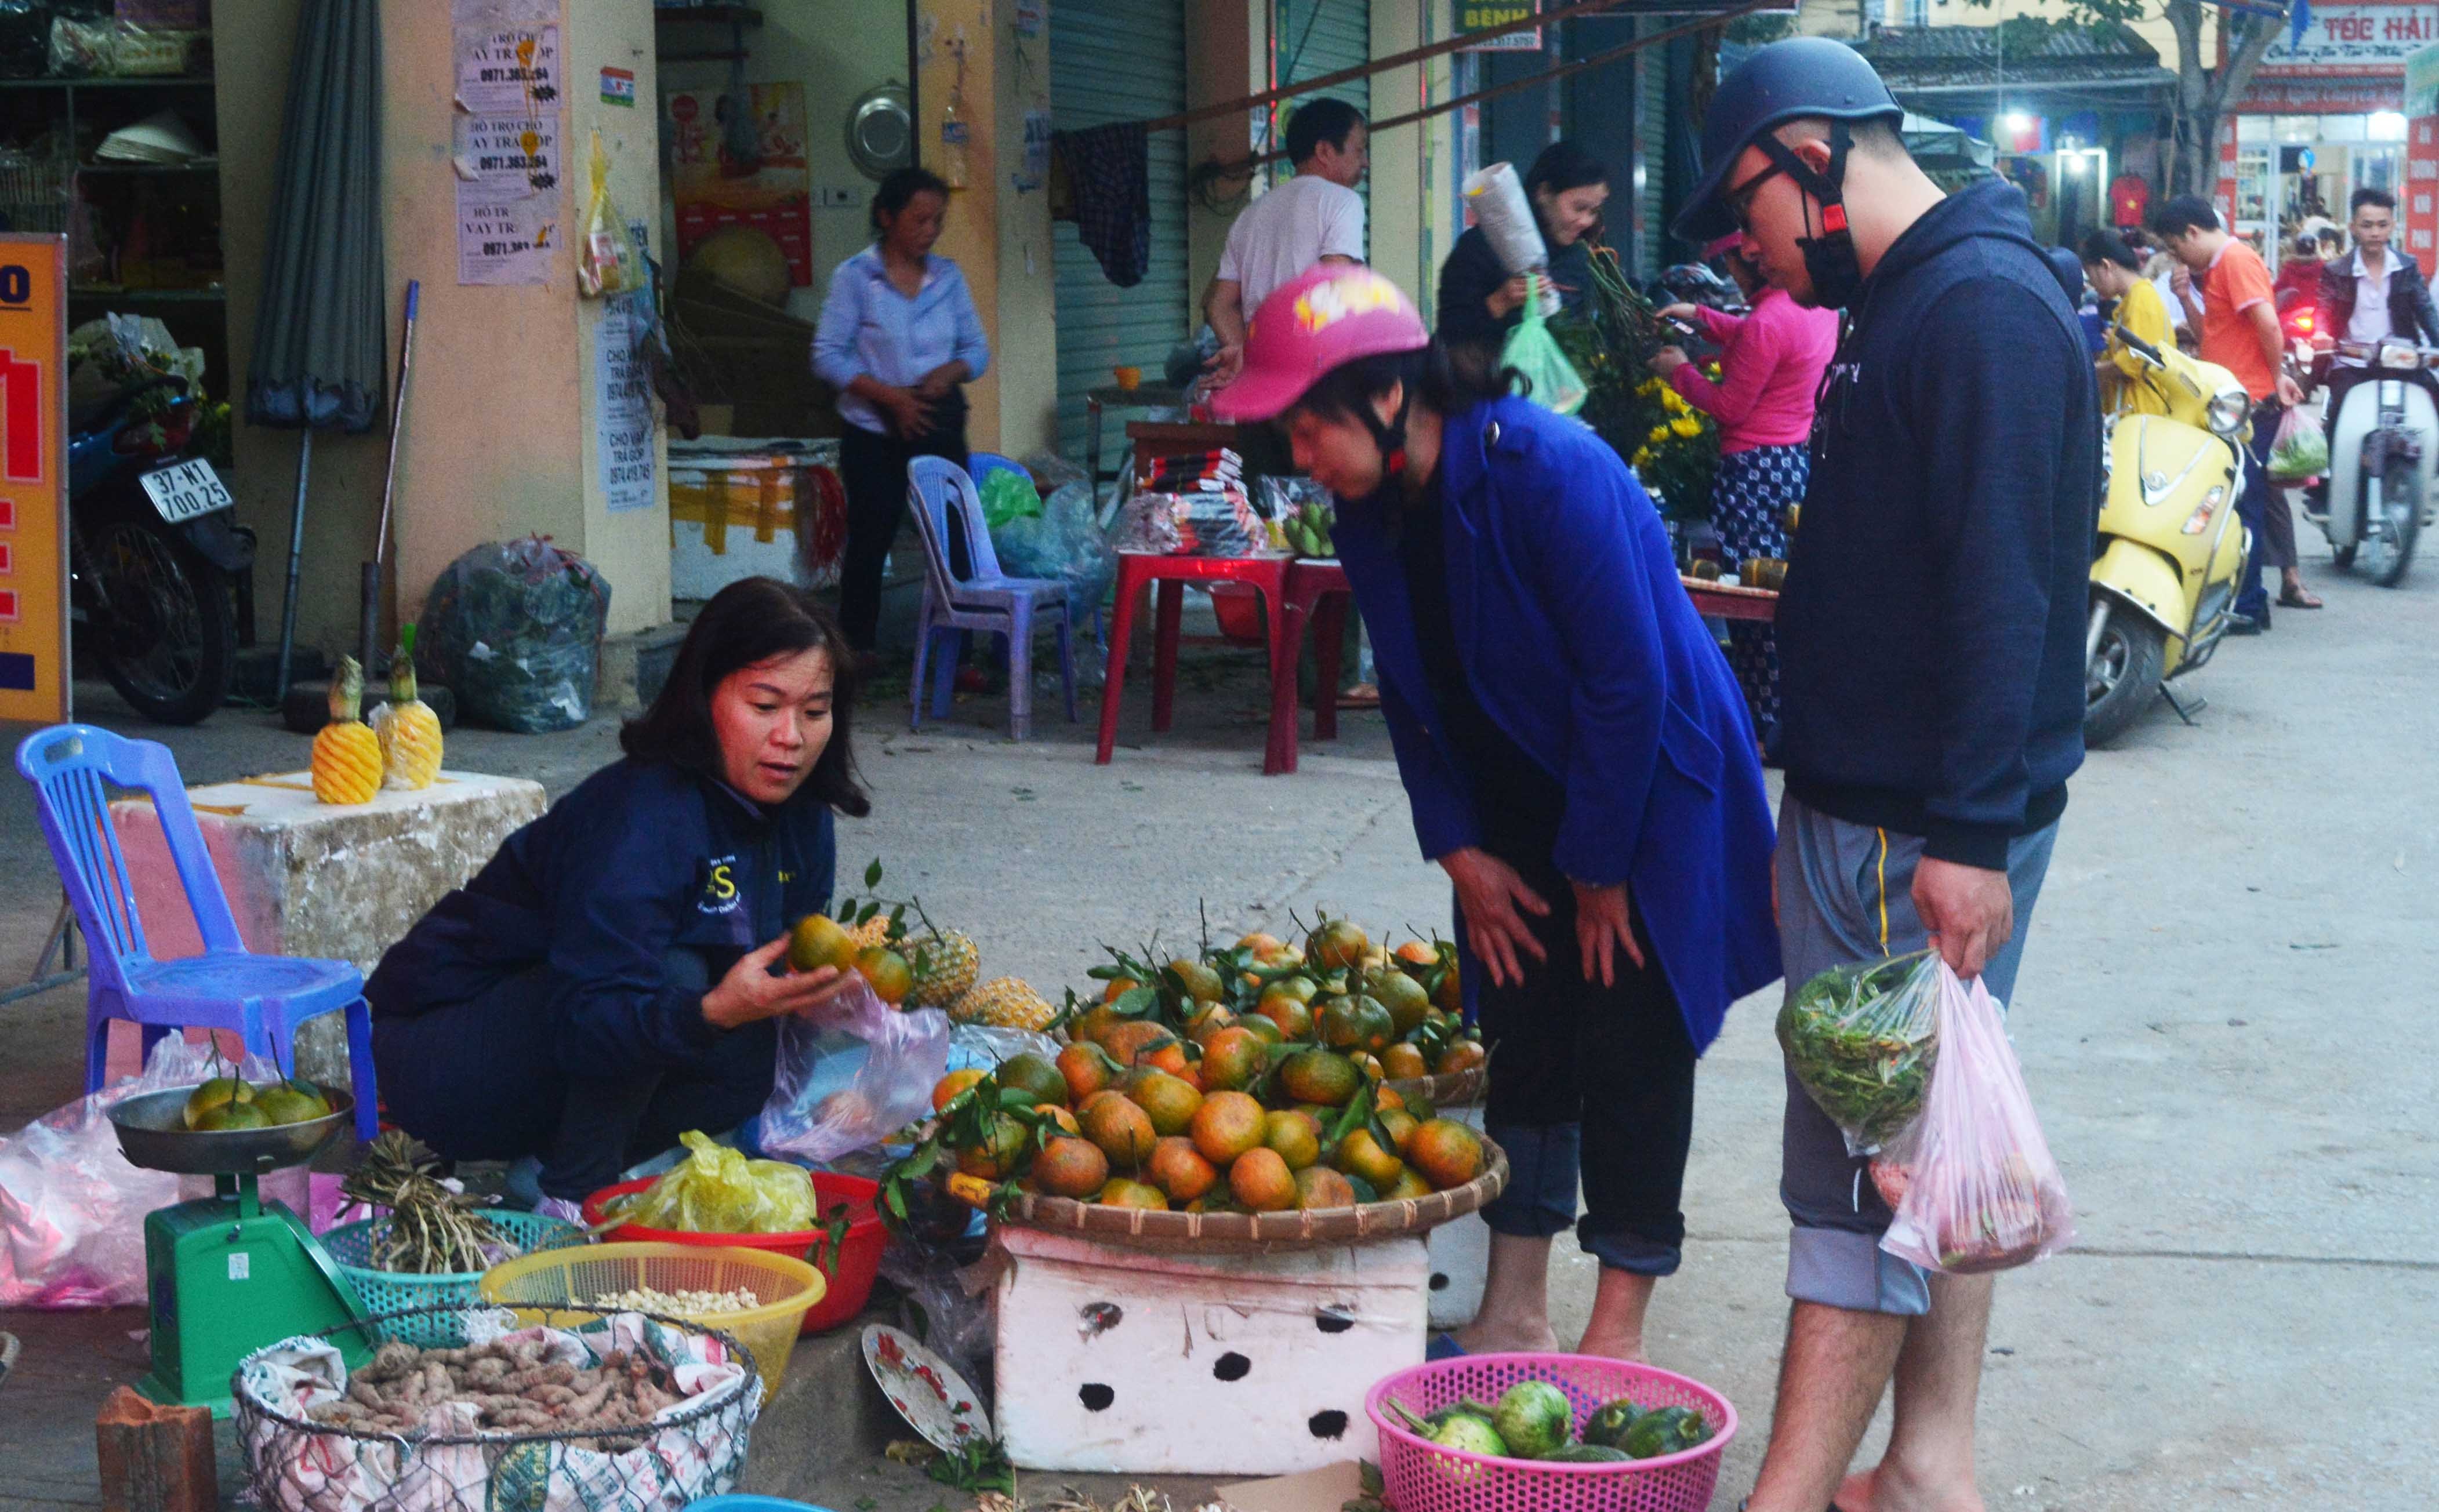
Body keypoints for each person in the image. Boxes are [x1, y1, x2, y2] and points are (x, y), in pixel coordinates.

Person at [1212, 264, 1780, 1361]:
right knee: (1524, 1028)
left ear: (1385, 398)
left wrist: (1603, 869)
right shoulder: (1367, 507)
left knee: (1631, 1042)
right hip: (1512, 794)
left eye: (1304, 427)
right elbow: (1415, 703)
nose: (1297, 457)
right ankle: (1513, 1300)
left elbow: (1627, 685)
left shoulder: (1549, 471)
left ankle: (1616, 1327)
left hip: (1644, 789)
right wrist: (1458, 846)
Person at [1674, 39, 2094, 1512]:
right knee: (1937, 1142)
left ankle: (1783, 1500)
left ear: (1807, 151)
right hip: (1916, 810)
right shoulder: (1922, 291)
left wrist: (1965, 832)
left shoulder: (1968, 308)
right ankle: (1925, 1464)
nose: (1749, 256)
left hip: (1906, 825)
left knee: (1858, 1174)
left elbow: (2003, 592)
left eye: (1745, 215)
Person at [368, 578, 869, 1219]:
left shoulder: (802, 818)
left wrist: (825, 995)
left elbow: (780, 962)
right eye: (765, 705)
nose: (791, 736)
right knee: (679, 978)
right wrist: (711, 1010)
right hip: (436, 1054)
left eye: (814, 711)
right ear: (704, 695)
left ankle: (558, 1160)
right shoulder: (641, 815)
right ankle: (570, 1195)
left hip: (566, 1040)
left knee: (754, 1048)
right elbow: (591, 1020)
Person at [1645, 231, 1838, 745]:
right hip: (1793, 464)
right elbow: (1755, 336)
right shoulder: (1813, 308)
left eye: (1731, 261)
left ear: (1753, 258)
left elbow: (1730, 405)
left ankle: (1764, 722)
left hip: (1752, 471)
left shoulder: (1770, 321)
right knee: (1780, 593)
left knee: (1751, 601)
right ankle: (1782, 714)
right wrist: (1701, 315)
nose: (1729, 272)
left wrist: (1678, 371)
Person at [813, 166, 989, 662]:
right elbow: (827, 356)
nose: (930, 231)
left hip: (938, 422)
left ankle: (960, 655)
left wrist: (948, 373)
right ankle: (855, 658)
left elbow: (977, 350)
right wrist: (891, 398)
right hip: (872, 429)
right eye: (919, 220)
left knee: (955, 538)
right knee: (871, 540)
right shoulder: (855, 279)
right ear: (887, 217)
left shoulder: (948, 278)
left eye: (937, 221)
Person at [2156, 194, 2307, 629]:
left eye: (2175, 246)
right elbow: (2215, 338)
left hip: (2250, 404)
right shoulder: (2218, 268)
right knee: (2237, 504)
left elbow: (2269, 324)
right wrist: (2186, 299)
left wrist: (2277, 379)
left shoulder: (2237, 261)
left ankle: (2247, 604)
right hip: (2231, 403)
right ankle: (2243, 602)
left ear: (2193, 233)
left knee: (2246, 506)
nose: (2175, 256)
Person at [1202, 97, 1370, 391]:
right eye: (1359, 150)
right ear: (1325, 151)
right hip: (1316, 385)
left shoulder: (1252, 213)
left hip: (1259, 387)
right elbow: (1333, 289)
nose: (1365, 162)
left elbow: (1219, 304)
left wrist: (1248, 360)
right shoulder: (1343, 202)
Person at [2310, 187, 2439, 558]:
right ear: (2353, 227)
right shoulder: (2336, 271)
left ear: (2393, 225)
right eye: (2367, 225)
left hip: (2400, 362)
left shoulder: (2407, 267)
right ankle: (2324, 489)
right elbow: (2323, 310)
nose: (2375, 233)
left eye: (2382, 225)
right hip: (2352, 364)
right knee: (2335, 422)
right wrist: (2321, 333)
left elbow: (2426, 310)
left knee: (2433, 400)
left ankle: (2422, 482)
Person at [1437, 140, 1610, 369]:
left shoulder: (1578, 259)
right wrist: (1498, 302)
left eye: (1594, 211)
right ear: (1544, 193)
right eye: (1579, 208)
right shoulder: (1479, 248)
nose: (1586, 221)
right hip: (1486, 395)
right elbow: (1448, 334)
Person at [2082, 229, 2175, 416]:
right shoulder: (2133, 299)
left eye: (2091, 275)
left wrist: (2093, 372)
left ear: (2106, 266)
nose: (2093, 285)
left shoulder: (2142, 298)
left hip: (2141, 414)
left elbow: (2138, 358)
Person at [2274, 231, 2324, 312]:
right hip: (2317, 313)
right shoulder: (2323, 268)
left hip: (2293, 313)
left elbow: (2277, 288)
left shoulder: (2290, 267)